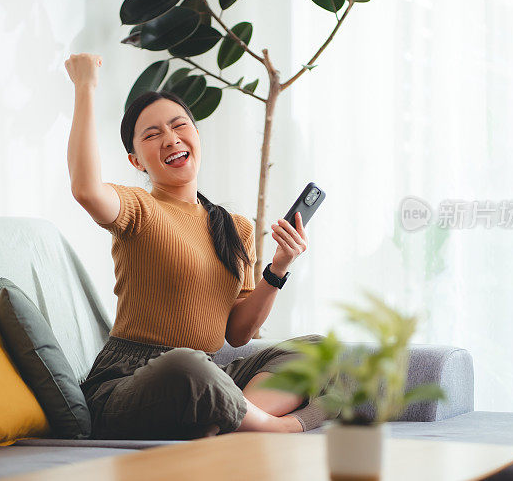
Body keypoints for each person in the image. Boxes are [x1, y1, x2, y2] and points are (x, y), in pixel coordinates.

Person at [65, 52, 331, 440]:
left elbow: (238, 335)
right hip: (131, 381)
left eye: (178, 126)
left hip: (207, 372)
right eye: (152, 135)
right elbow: (86, 189)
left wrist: (278, 267)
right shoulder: (140, 209)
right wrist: (85, 86)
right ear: (136, 161)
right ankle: (272, 426)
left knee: (317, 350)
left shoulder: (234, 228)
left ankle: (218, 420)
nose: (171, 139)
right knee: (185, 367)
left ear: (196, 135)